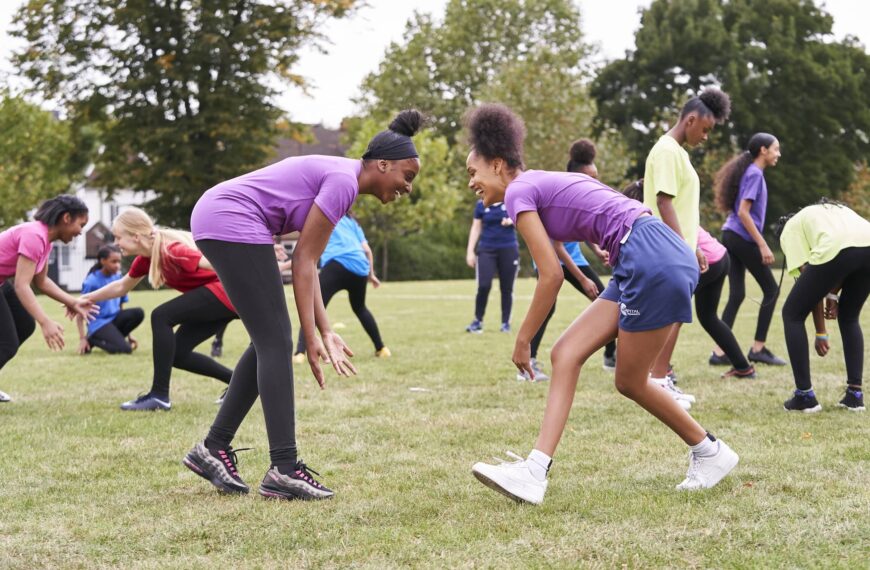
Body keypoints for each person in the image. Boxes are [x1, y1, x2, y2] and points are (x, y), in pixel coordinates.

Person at [465, 104, 738, 505]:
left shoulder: (519, 192)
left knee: (629, 380)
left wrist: (523, 340)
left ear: (498, 164)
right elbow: (587, 220)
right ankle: (534, 471)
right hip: (646, 251)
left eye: (473, 172)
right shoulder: (537, 183)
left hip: (650, 255)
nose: (471, 181)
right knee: (566, 353)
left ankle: (710, 451)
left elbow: (550, 275)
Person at [183, 110, 422, 501]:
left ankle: (212, 449)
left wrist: (323, 330)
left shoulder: (343, 181)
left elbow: (309, 264)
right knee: (275, 342)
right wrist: (311, 337)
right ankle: (284, 468)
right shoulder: (344, 181)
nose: (407, 188)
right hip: (231, 217)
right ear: (382, 164)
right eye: (407, 177)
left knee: (267, 341)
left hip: (221, 215)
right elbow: (303, 262)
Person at [81, 208, 238, 411]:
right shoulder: (147, 257)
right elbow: (122, 286)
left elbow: (218, 265)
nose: (116, 243)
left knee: (161, 315)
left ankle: (159, 396)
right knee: (178, 354)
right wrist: (84, 299)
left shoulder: (171, 250)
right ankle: (238, 384)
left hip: (226, 294)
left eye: (119, 237)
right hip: (220, 301)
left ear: (136, 236)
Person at [642, 88, 732, 408]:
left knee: (676, 314)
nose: (706, 137)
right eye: (705, 129)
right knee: (670, 314)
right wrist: (683, 247)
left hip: (678, 247)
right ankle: (656, 380)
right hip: (667, 248)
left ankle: (660, 379)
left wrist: (692, 246)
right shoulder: (667, 150)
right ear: (690, 120)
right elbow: (664, 201)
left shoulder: (678, 152)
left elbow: (679, 206)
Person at [624, 180, 756, 380]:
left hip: (703, 262)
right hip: (720, 257)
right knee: (709, 318)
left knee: (671, 315)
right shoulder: (673, 212)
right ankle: (743, 367)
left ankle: (663, 370)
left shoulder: (654, 218)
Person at [526, 139, 617, 381]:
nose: (595, 182)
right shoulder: (560, 195)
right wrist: (583, 278)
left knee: (607, 300)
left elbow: (582, 229)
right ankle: (529, 362)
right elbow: (556, 247)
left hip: (573, 257)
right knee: (548, 307)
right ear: (575, 176)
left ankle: (611, 355)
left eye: (596, 176)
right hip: (552, 258)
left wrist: (597, 250)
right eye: (590, 176)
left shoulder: (583, 194)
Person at [0, 195, 97, 402]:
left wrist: (73, 302)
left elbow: (41, 282)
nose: (81, 231)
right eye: (81, 224)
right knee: (7, 344)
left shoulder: (45, 241)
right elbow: (21, 284)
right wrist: (45, 321)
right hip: (6, 284)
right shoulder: (35, 235)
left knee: (24, 325)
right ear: (66, 218)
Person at [777, 200, 870, 412]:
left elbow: (809, 281)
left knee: (791, 313)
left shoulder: (790, 229)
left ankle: (804, 397)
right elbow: (844, 256)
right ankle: (855, 396)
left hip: (838, 249)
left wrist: (821, 332)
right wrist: (833, 296)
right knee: (849, 317)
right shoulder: (830, 211)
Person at [712, 133, 786, 366]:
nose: (778, 154)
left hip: (731, 235)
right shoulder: (755, 174)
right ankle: (758, 348)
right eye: (775, 149)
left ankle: (720, 352)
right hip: (740, 236)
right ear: (763, 150)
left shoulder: (751, 172)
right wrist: (762, 244)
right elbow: (744, 212)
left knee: (737, 294)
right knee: (771, 290)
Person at [293, 214, 390, 361]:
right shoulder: (352, 222)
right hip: (360, 267)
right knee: (360, 308)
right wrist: (371, 274)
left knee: (313, 307)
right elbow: (367, 250)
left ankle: (300, 353)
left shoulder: (325, 214)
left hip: (337, 264)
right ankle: (381, 348)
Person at [465, 181, 519, 334]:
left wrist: (512, 221)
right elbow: (475, 228)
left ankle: (505, 323)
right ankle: (477, 321)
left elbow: (524, 220)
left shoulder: (511, 202)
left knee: (506, 288)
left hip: (508, 248)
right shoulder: (481, 204)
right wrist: (470, 251)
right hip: (486, 249)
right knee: (483, 286)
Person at [76, 244, 144, 355]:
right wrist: (82, 338)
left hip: (114, 319)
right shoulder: (91, 282)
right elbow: (79, 312)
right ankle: (92, 339)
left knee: (138, 313)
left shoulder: (118, 278)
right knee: (126, 350)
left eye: (119, 262)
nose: (117, 265)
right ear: (103, 261)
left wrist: (129, 335)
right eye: (114, 262)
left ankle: (116, 338)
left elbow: (121, 305)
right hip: (99, 323)